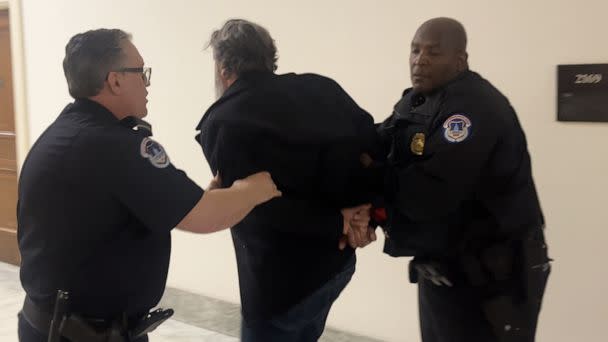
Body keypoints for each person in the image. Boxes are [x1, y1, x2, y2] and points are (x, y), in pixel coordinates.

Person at [17, 28, 281, 342]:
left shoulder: (66, 132)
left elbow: (153, 209)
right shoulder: (115, 146)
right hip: (84, 334)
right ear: (114, 80)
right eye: (140, 72)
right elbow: (205, 218)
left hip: (55, 324)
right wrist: (258, 187)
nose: (146, 82)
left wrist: (214, 198)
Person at [195, 19, 379, 342]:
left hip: (280, 288)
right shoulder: (321, 88)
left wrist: (338, 221)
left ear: (223, 68)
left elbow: (254, 206)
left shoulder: (225, 121)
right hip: (334, 266)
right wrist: (367, 217)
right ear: (269, 57)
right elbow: (373, 149)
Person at [372, 18, 551, 342]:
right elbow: (379, 142)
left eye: (433, 52)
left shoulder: (473, 108)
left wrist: (371, 186)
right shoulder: (418, 100)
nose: (420, 59)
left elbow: (430, 194)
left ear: (460, 60)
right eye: (415, 50)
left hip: (494, 278)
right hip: (445, 268)